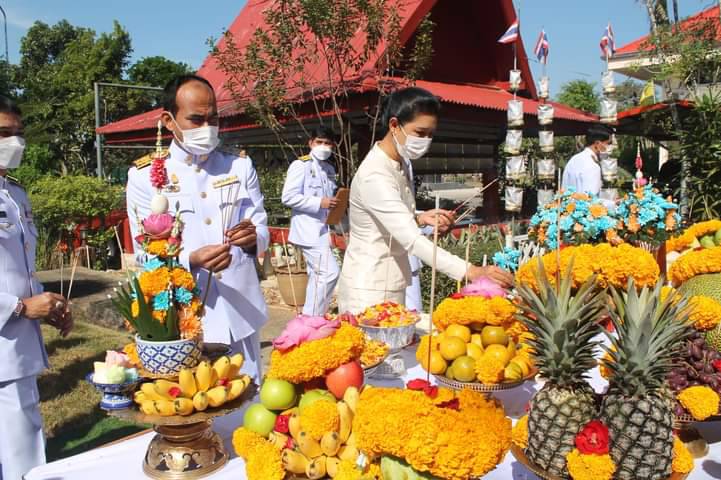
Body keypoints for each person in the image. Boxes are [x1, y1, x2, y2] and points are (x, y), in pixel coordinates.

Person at [126, 75, 269, 380]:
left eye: (213, 118)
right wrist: (189, 259)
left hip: (239, 310)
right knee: (196, 413)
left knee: (248, 409)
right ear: (168, 120)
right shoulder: (145, 177)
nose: (208, 127)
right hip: (183, 318)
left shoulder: (238, 166)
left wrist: (252, 238)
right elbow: (143, 255)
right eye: (196, 119)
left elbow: (261, 225)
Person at [337, 87, 513, 314]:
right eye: (419, 133)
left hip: (392, 281)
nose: (425, 141)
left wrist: (419, 218)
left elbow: (388, 216)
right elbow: (412, 240)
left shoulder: (402, 162)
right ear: (393, 125)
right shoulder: (375, 175)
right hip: (368, 287)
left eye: (430, 134)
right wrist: (470, 271)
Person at [0, 96, 73, 479]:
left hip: (17, 345)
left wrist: (49, 302)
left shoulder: (14, 194)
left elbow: (20, 267)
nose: (15, 143)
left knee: (23, 444)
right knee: (20, 458)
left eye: (18, 134)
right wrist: (22, 307)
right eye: (3, 133)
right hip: (4, 340)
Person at [281, 126, 340, 316]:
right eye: (319, 142)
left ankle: (311, 317)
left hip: (324, 229)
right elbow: (288, 197)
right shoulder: (301, 165)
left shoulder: (329, 169)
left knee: (317, 276)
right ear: (311, 143)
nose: (323, 147)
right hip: (308, 230)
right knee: (330, 273)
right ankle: (312, 317)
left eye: (328, 143)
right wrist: (319, 202)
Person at [561, 125, 611, 195]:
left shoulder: (574, 159)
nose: (609, 148)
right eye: (608, 144)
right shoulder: (592, 165)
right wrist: (613, 203)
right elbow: (591, 199)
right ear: (597, 144)